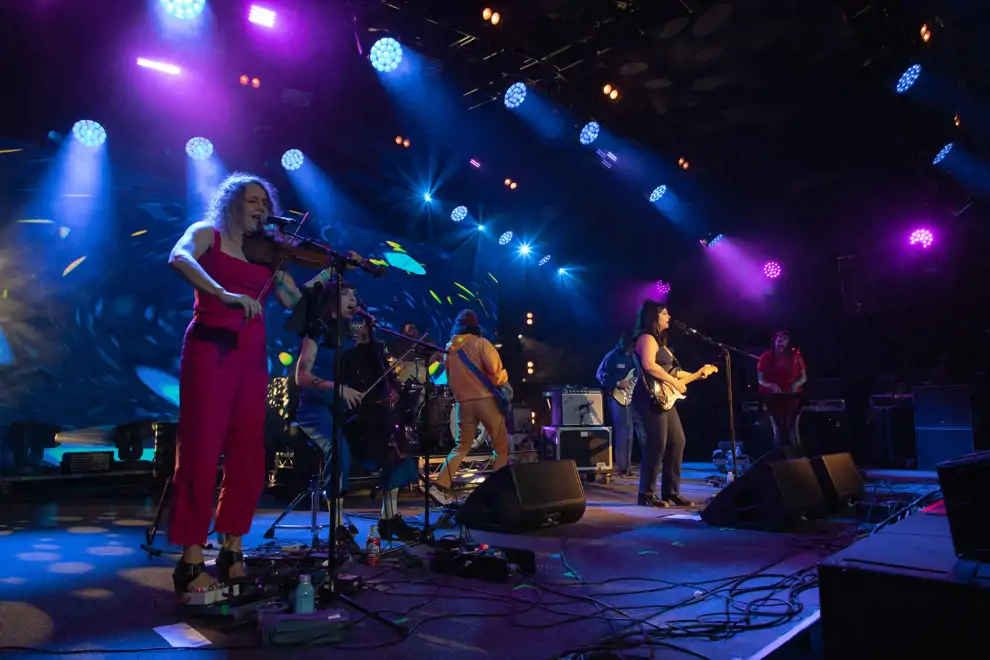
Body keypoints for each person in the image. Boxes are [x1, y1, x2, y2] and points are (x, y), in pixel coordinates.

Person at [167, 173, 331, 598]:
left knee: (248, 452)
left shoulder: (268, 255)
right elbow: (179, 258)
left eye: (264, 201)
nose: (260, 207)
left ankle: (232, 548)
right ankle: (189, 558)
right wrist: (223, 293)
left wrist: (330, 279)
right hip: (209, 347)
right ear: (232, 201)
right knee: (201, 449)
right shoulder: (208, 234)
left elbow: (294, 302)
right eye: (252, 199)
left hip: (250, 354)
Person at [293, 283, 420, 542]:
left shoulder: (351, 330)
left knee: (393, 445)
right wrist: (337, 388)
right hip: (317, 408)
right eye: (345, 294)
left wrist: (390, 386)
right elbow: (301, 376)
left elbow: (366, 353)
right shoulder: (317, 332)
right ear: (331, 302)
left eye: (354, 294)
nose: (353, 298)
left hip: (350, 410)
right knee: (338, 449)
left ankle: (389, 518)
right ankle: (337, 525)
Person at [429, 310, 511, 506]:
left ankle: (439, 486)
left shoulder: (450, 349)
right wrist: (503, 385)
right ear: (475, 326)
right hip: (485, 400)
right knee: (500, 448)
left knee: (461, 447)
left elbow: (446, 378)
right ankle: (497, 490)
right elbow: (496, 372)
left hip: (462, 404)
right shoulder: (481, 343)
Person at [630, 301, 699, 508]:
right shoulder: (646, 338)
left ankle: (671, 492)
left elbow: (671, 372)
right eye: (665, 313)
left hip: (665, 398)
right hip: (649, 398)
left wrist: (697, 374)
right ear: (654, 317)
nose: (669, 316)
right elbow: (650, 366)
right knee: (656, 445)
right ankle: (646, 494)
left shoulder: (662, 344)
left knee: (677, 441)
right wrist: (675, 382)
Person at [596, 331, 646, 477]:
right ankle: (624, 468)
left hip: (636, 398)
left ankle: (650, 463)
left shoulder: (636, 357)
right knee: (625, 432)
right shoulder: (612, 356)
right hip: (618, 397)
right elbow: (600, 374)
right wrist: (617, 383)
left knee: (645, 430)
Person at [757, 331, 808, 448]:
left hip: (792, 397)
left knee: (793, 429)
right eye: (779, 338)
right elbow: (761, 379)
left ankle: (795, 458)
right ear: (774, 341)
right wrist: (771, 385)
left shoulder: (795, 357)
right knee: (777, 430)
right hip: (773, 399)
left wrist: (796, 384)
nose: (782, 341)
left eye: (785, 339)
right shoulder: (765, 357)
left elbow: (803, 376)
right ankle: (779, 458)